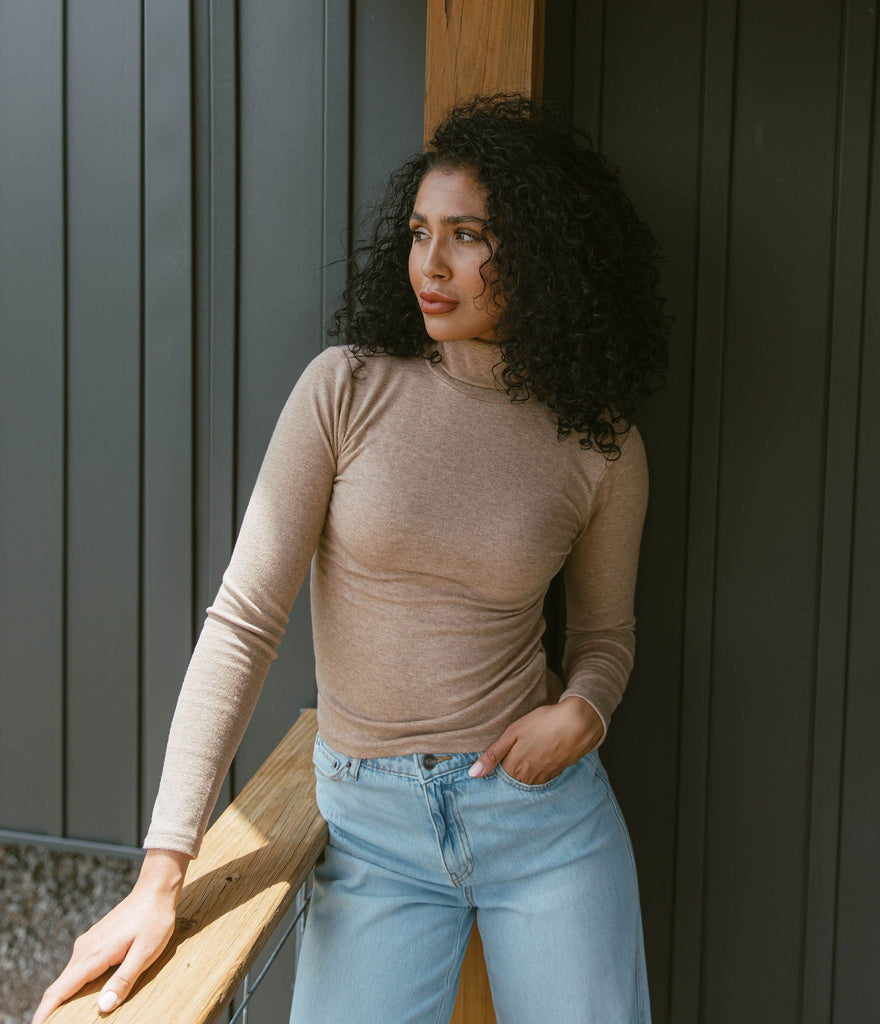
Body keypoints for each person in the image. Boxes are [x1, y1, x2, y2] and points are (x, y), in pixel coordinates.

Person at [33, 94, 668, 1024]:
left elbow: (606, 635)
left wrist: (585, 711)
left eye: (466, 235)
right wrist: (161, 874)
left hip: (541, 824)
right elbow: (243, 624)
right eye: (418, 232)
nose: (429, 264)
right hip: (372, 837)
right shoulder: (345, 388)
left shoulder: (599, 445)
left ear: (542, 253)